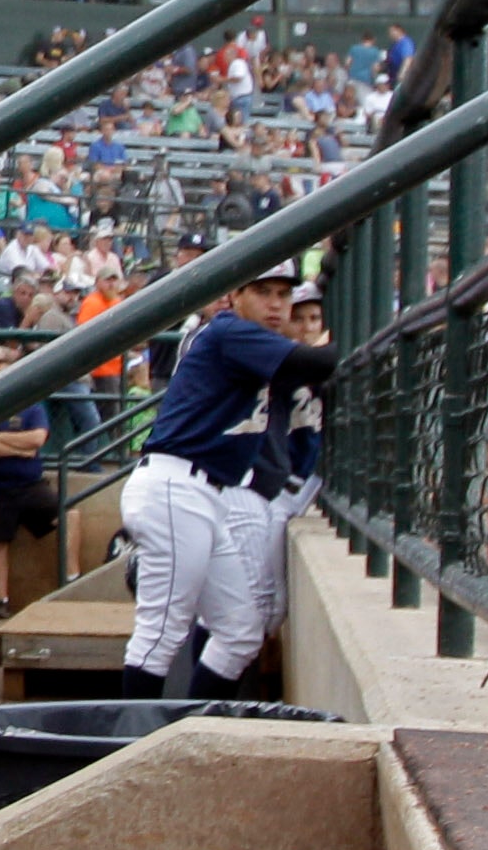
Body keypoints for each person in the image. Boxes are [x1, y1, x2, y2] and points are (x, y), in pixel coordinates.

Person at [117, 267, 330, 697]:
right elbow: (312, 362)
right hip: (176, 487)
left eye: (284, 295)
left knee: (240, 632)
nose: (277, 304)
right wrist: (381, 339)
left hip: (206, 494)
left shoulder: (251, 339)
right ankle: (129, 751)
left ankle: (193, 732)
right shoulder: (230, 331)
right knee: (160, 635)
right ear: (235, 295)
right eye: (264, 292)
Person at [0, 386, 55, 620]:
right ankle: (1, 600)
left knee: (67, 514)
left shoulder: (33, 408)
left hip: (31, 486)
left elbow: (37, 439)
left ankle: (72, 579)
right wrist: (20, 449)